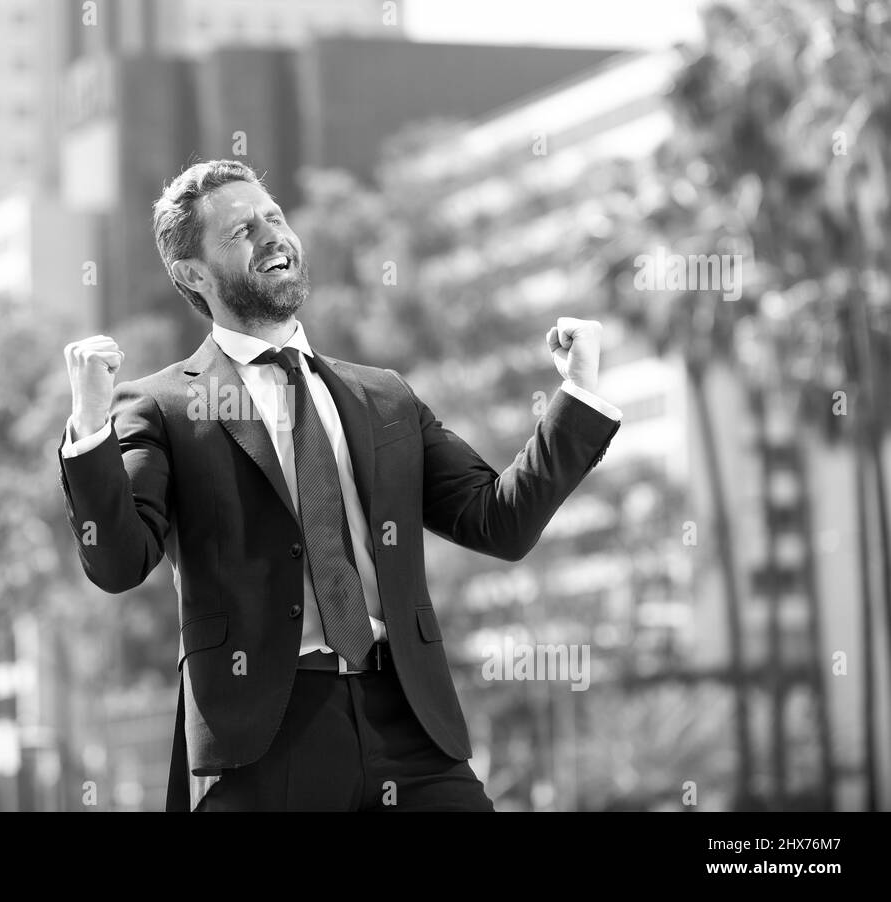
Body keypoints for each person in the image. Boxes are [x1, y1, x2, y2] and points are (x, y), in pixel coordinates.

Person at [58, 159, 621, 811]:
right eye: (242, 231)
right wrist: (90, 426)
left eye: (274, 217)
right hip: (264, 743)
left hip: (410, 725)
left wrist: (577, 393)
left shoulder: (382, 396)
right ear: (193, 274)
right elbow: (119, 562)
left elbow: (500, 521)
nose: (271, 235)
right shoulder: (161, 406)